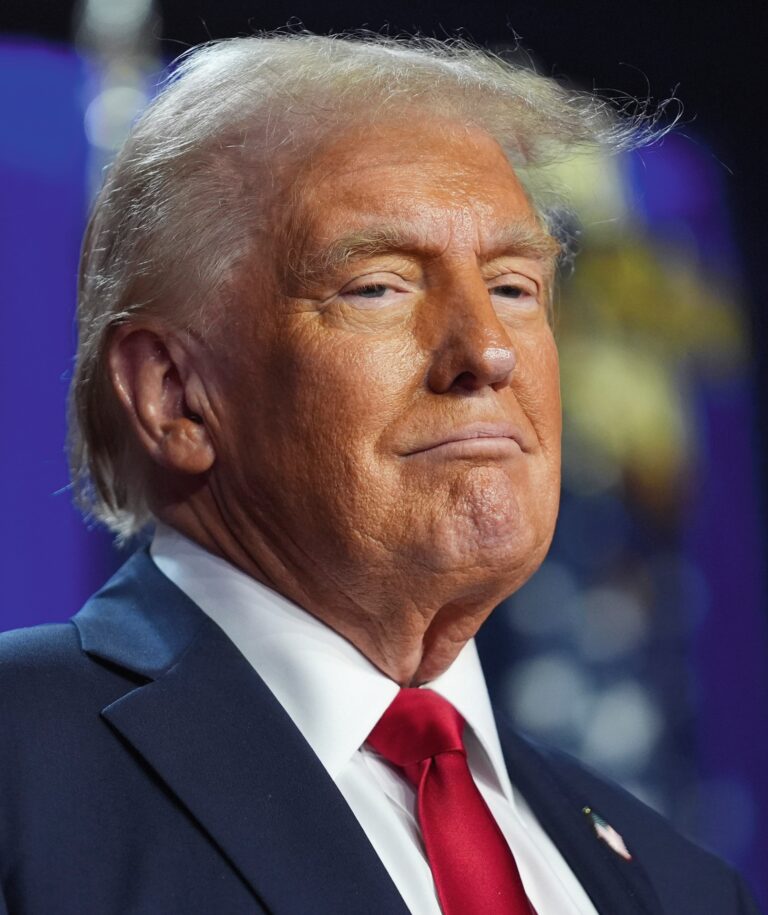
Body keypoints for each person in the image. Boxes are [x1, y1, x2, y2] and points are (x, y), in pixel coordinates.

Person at [0, 33, 759, 915]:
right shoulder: (22, 772)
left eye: (516, 287)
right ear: (176, 396)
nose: (486, 350)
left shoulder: (684, 885)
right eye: (379, 287)